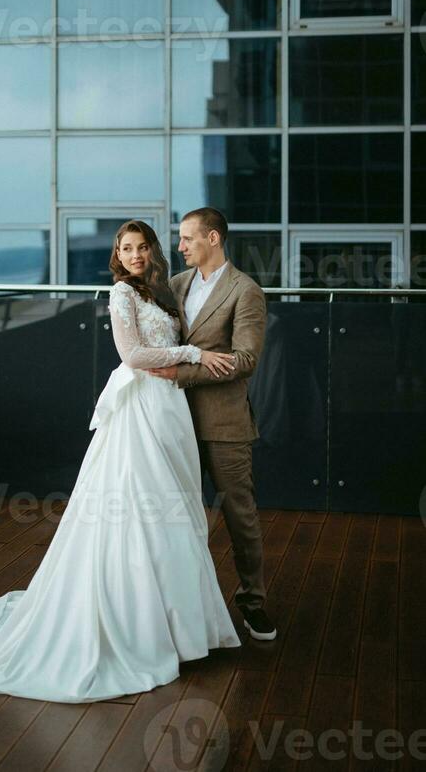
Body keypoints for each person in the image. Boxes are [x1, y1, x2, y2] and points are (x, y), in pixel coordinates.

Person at [0, 219, 240, 703]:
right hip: (139, 410)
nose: (135, 255)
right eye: (127, 248)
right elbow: (132, 354)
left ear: (152, 251)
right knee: (140, 508)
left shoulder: (161, 293)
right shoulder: (121, 294)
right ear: (118, 253)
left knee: (176, 510)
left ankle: (181, 629)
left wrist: (185, 359)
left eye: (142, 247)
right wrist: (195, 352)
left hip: (171, 408)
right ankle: (144, 628)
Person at [148, 207, 276, 641]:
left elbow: (245, 360)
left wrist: (183, 372)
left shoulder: (247, 290)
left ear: (214, 238)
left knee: (240, 517)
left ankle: (253, 604)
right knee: (176, 515)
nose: (180, 247)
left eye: (188, 239)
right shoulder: (176, 286)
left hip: (224, 425)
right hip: (175, 420)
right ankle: (180, 609)